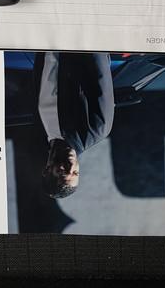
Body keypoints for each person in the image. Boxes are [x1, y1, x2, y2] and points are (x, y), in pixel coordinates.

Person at [35, 51, 115, 198]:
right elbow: (99, 67)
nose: (71, 165)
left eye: (62, 172)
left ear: (47, 169)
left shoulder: (39, 130)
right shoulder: (97, 129)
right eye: (76, 172)